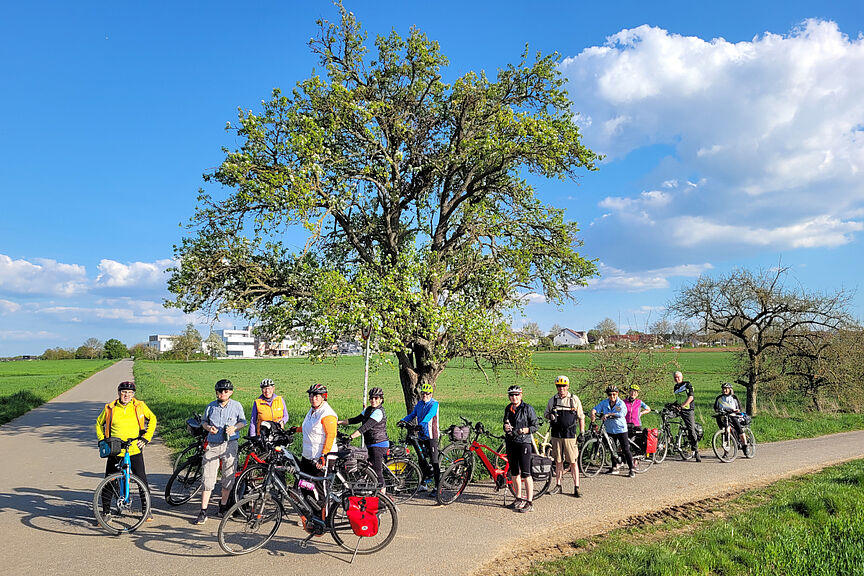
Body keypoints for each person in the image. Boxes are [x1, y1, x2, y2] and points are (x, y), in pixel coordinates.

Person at [95, 380, 157, 521]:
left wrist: (147, 437)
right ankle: (106, 512)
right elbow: (99, 423)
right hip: (115, 449)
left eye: (129, 392)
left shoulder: (139, 406)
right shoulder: (110, 408)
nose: (127, 395)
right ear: (119, 393)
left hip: (134, 447)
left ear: (133, 394)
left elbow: (153, 419)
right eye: (124, 392)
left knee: (141, 479)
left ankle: (146, 509)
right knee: (110, 480)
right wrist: (101, 440)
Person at [196, 378, 247, 525]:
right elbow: (204, 421)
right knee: (207, 477)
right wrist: (208, 428)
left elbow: (243, 421)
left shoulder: (237, 406)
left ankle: (223, 506)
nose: (223, 393)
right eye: (220, 391)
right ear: (216, 392)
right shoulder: (211, 407)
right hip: (212, 445)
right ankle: (203, 511)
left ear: (230, 392)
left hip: (230, 444)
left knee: (228, 476)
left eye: (226, 391)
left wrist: (235, 428)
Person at [339, 387, 389, 494]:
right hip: (371, 443)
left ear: (381, 399)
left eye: (376, 398)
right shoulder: (368, 410)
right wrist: (339, 422)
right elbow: (356, 419)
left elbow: (365, 427)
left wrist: (351, 437)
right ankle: (371, 489)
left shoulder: (379, 412)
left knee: (377, 471)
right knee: (368, 466)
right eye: (371, 398)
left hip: (378, 444)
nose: (373, 400)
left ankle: (383, 497)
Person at [543, 375, 584, 497]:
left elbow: (581, 417)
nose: (561, 389)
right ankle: (558, 485)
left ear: (567, 386)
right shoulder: (553, 400)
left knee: (572, 462)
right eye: (559, 386)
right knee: (558, 461)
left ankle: (576, 487)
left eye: (563, 386)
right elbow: (546, 414)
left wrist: (581, 433)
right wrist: (550, 416)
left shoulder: (574, 399)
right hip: (556, 435)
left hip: (570, 435)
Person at [503, 385, 539, 512]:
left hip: (524, 443)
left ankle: (529, 502)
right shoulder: (508, 408)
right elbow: (505, 424)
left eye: (516, 394)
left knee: (526, 472)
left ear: (521, 395)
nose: (514, 397)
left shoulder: (528, 408)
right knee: (514, 472)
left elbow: (535, 426)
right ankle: (518, 498)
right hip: (511, 442)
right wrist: (506, 428)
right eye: (512, 395)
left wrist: (525, 430)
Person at [399, 382, 440, 495]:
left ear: (431, 394)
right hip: (421, 435)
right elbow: (413, 414)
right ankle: (424, 484)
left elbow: (429, 415)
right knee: (421, 460)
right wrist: (403, 420)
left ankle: (437, 487)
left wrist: (422, 424)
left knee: (434, 461)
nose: (424, 396)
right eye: (423, 394)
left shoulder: (434, 404)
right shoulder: (419, 404)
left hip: (431, 435)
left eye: (427, 394)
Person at [591, 385, 635, 477]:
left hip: (620, 429)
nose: (612, 396)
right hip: (610, 429)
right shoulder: (605, 403)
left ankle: (631, 468)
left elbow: (621, 413)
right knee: (612, 448)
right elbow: (597, 408)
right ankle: (614, 467)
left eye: (614, 394)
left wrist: (609, 414)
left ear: (617, 394)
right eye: (610, 394)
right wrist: (593, 412)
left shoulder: (620, 404)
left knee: (625, 448)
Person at [673, 371, 701, 462]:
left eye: (678, 377)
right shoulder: (675, 387)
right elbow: (678, 399)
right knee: (666, 418)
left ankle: (696, 450)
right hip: (680, 409)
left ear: (682, 377)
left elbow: (691, 397)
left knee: (691, 429)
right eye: (675, 377)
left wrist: (683, 406)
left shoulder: (687, 384)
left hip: (688, 410)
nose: (676, 379)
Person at [713, 382, 747, 448]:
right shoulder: (719, 398)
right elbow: (715, 407)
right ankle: (726, 452)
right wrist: (718, 411)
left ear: (730, 389)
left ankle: (745, 445)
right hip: (723, 416)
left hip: (732, 415)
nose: (724, 390)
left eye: (726, 389)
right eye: (723, 389)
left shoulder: (734, 397)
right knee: (724, 432)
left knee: (739, 429)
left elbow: (739, 408)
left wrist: (736, 410)